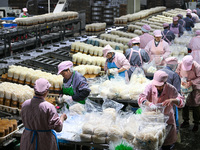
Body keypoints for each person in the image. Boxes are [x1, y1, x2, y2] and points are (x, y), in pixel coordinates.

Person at [138, 70, 185, 149]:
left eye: (161, 86)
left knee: (166, 142)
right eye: (157, 85)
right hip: (151, 118)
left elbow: (181, 101)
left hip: (166, 118)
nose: (158, 87)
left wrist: (172, 100)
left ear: (165, 83)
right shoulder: (150, 86)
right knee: (152, 140)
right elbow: (141, 98)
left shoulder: (171, 88)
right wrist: (149, 104)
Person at [20, 78, 67, 150]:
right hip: (44, 142)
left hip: (28, 140)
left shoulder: (25, 104)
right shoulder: (49, 107)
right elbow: (58, 128)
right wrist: (62, 118)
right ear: (46, 92)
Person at [176, 55, 200, 132]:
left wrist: (192, 82)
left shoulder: (197, 66)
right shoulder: (180, 64)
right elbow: (177, 73)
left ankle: (196, 123)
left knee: (196, 105)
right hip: (184, 87)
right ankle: (185, 121)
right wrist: (181, 80)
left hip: (195, 87)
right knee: (184, 104)